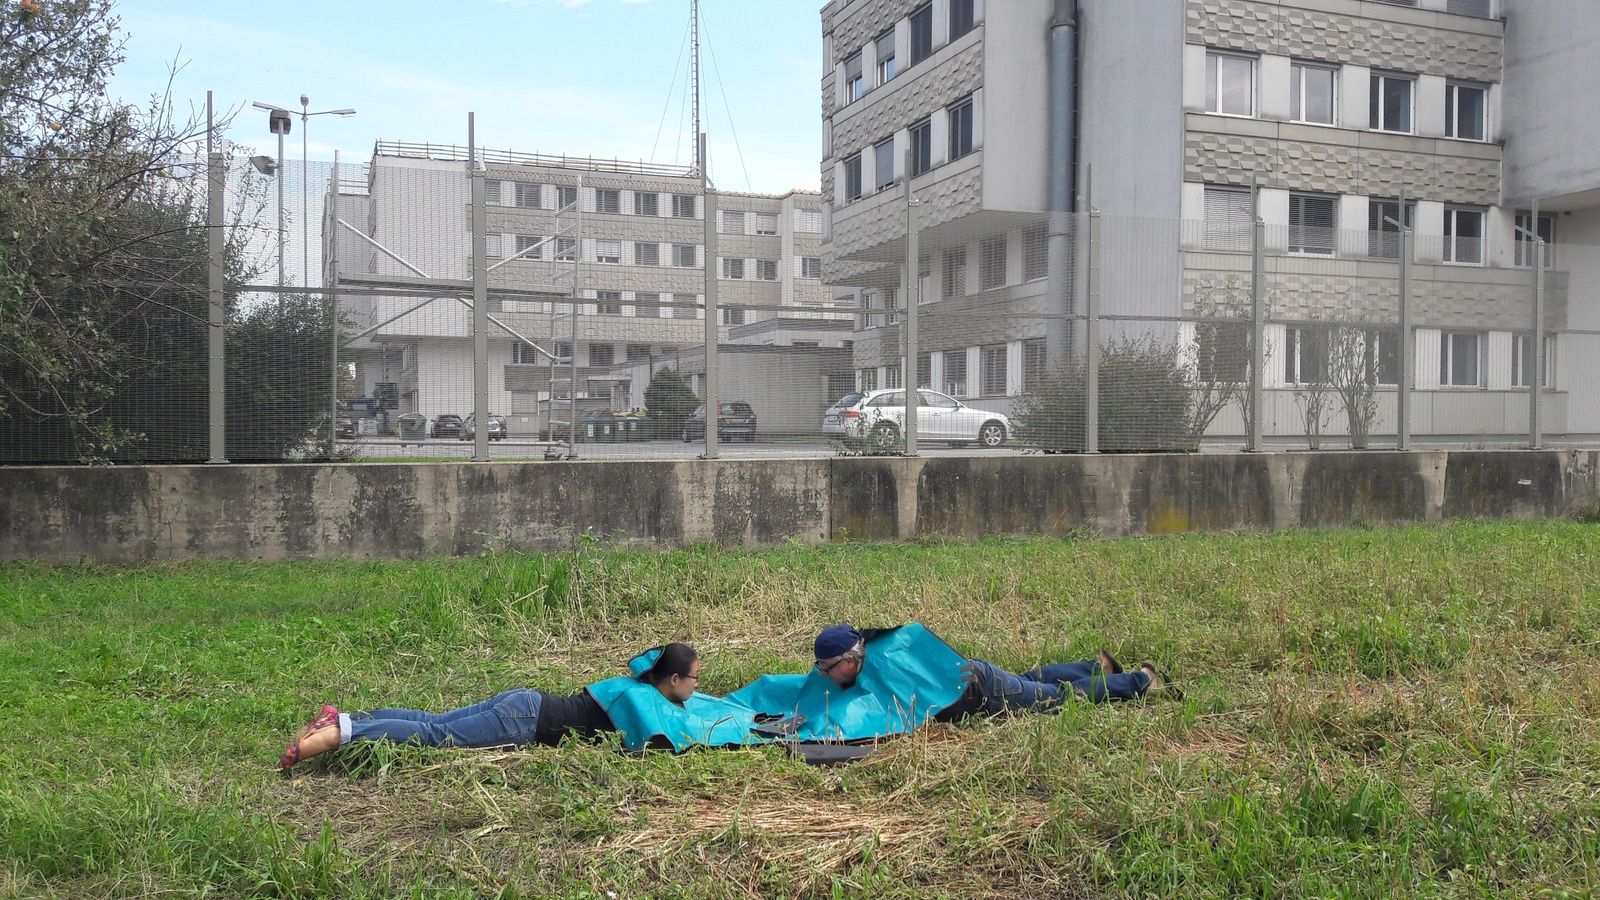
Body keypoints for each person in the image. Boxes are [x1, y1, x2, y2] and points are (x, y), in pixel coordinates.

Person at [276, 642, 701, 770]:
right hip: (525, 720)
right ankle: (339, 734)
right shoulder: (643, 703)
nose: (697, 686)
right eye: (695, 678)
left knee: (433, 722)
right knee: (437, 735)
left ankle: (342, 718)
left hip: (525, 700)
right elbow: (652, 744)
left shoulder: (634, 686)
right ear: (674, 679)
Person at [811, 624, 1180, 722]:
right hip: (977, 675)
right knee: (1030, 680)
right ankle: (1098, 668)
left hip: (984, 692)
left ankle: (1141, 680)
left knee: (1058, 699)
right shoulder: (874, 652)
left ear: (849, 661)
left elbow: (867, 717)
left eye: (826, 668)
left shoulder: (878, 675)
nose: (823, 675)